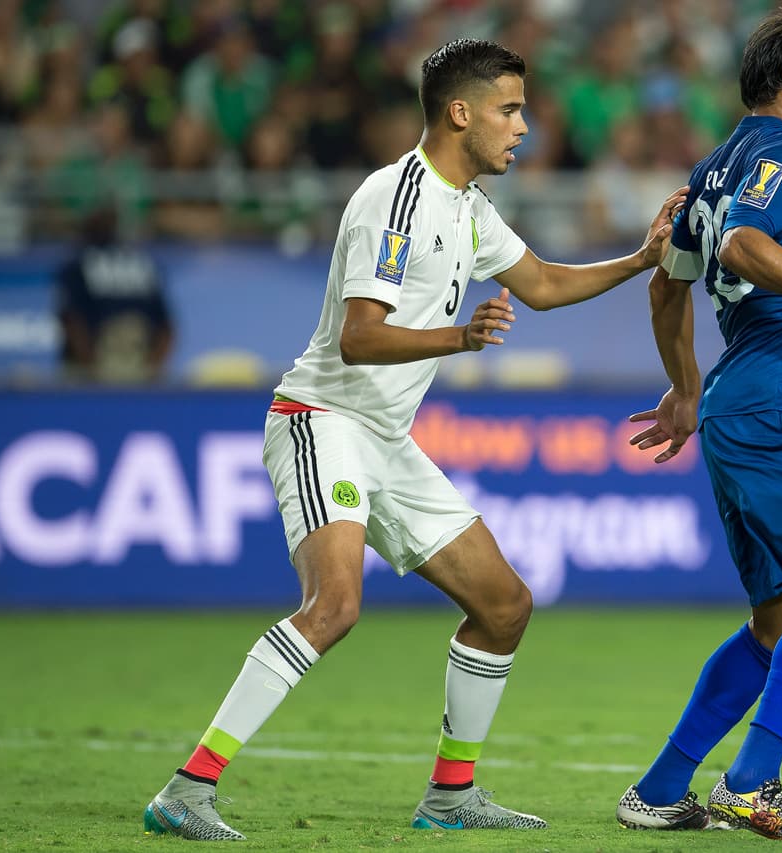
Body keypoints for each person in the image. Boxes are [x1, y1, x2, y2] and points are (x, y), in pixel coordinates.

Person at [143, 38, 686, 841]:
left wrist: (642, 257)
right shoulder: (395, 200)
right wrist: (458, 339)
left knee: (504, 605)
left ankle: (451, 794)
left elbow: (539, 284)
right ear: (460, 112)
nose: (524, 127)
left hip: (385, 439)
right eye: (509, 109)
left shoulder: (467, 205)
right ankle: (188, 787)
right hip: (319, 419)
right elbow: (361, 338)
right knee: (334, 605)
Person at [614, 8, 782, 842]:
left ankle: (660, 790)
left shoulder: (709, 170)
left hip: (737, 407)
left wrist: (687, 390)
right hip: (775, 409)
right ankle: (751, 782)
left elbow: (668, 284)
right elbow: (739, 247)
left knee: (776, 625)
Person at [55, 204, 174, 384]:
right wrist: (153, 369)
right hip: (136, 370)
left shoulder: (77, 265)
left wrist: (91, 370)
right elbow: (167, 329)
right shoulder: (143, 264)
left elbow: (71, 321)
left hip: (98, 372)